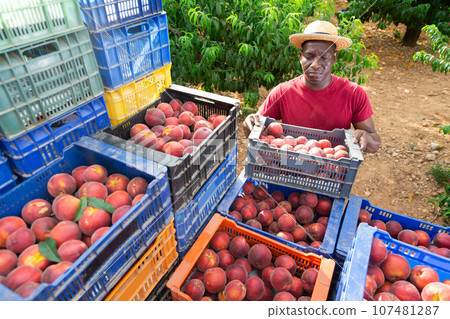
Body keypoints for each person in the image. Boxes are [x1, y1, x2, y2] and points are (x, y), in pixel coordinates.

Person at [243, 20, 381, 153]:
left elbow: (374, 142)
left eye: (324, 57)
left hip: (333, 169)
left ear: (334, 57)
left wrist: (366, 138)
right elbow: (255, 127)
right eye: (309, 56)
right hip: (288, 165)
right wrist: (251, 124)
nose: (315, 64)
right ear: (300, 57)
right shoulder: (283, 91)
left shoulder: (353, 93)